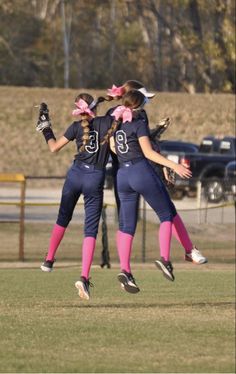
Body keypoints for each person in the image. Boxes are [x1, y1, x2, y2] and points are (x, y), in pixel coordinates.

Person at [105, 90, 206, 293]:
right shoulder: (139, 119)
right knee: (166, 214)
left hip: (122, 176)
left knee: (127, 226)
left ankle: (125, 270)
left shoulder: (115, 119)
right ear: (138, 105)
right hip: (140, 171)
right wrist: (173, 165)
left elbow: (114, 148)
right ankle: (165, 259)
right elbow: (148, 152)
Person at [36, 93, 114, 300]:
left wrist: (46, 128)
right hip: (94, 177)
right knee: (90, 230)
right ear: (94, 108)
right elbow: (122, 113)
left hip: (75, 174)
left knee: (63, 218)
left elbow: (53, 147)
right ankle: (84, 277)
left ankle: (49, 260)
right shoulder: (106, 122)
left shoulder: (75, 127)